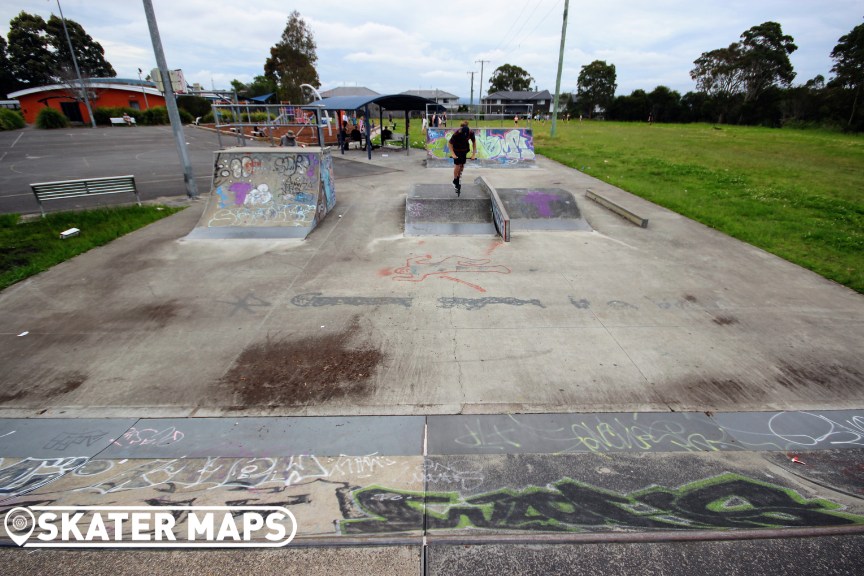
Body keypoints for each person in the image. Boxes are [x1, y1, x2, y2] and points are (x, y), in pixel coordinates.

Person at [447, 121, 476, 196]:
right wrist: (453, 154)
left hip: (464, 149)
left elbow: (474, 143)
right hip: (456, 149)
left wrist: (473, 154)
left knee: (462, 165)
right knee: (457, 164)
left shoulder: (471, 132)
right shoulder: (457, 132)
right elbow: (450, 143)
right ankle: (455, 180)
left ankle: (458, 178)